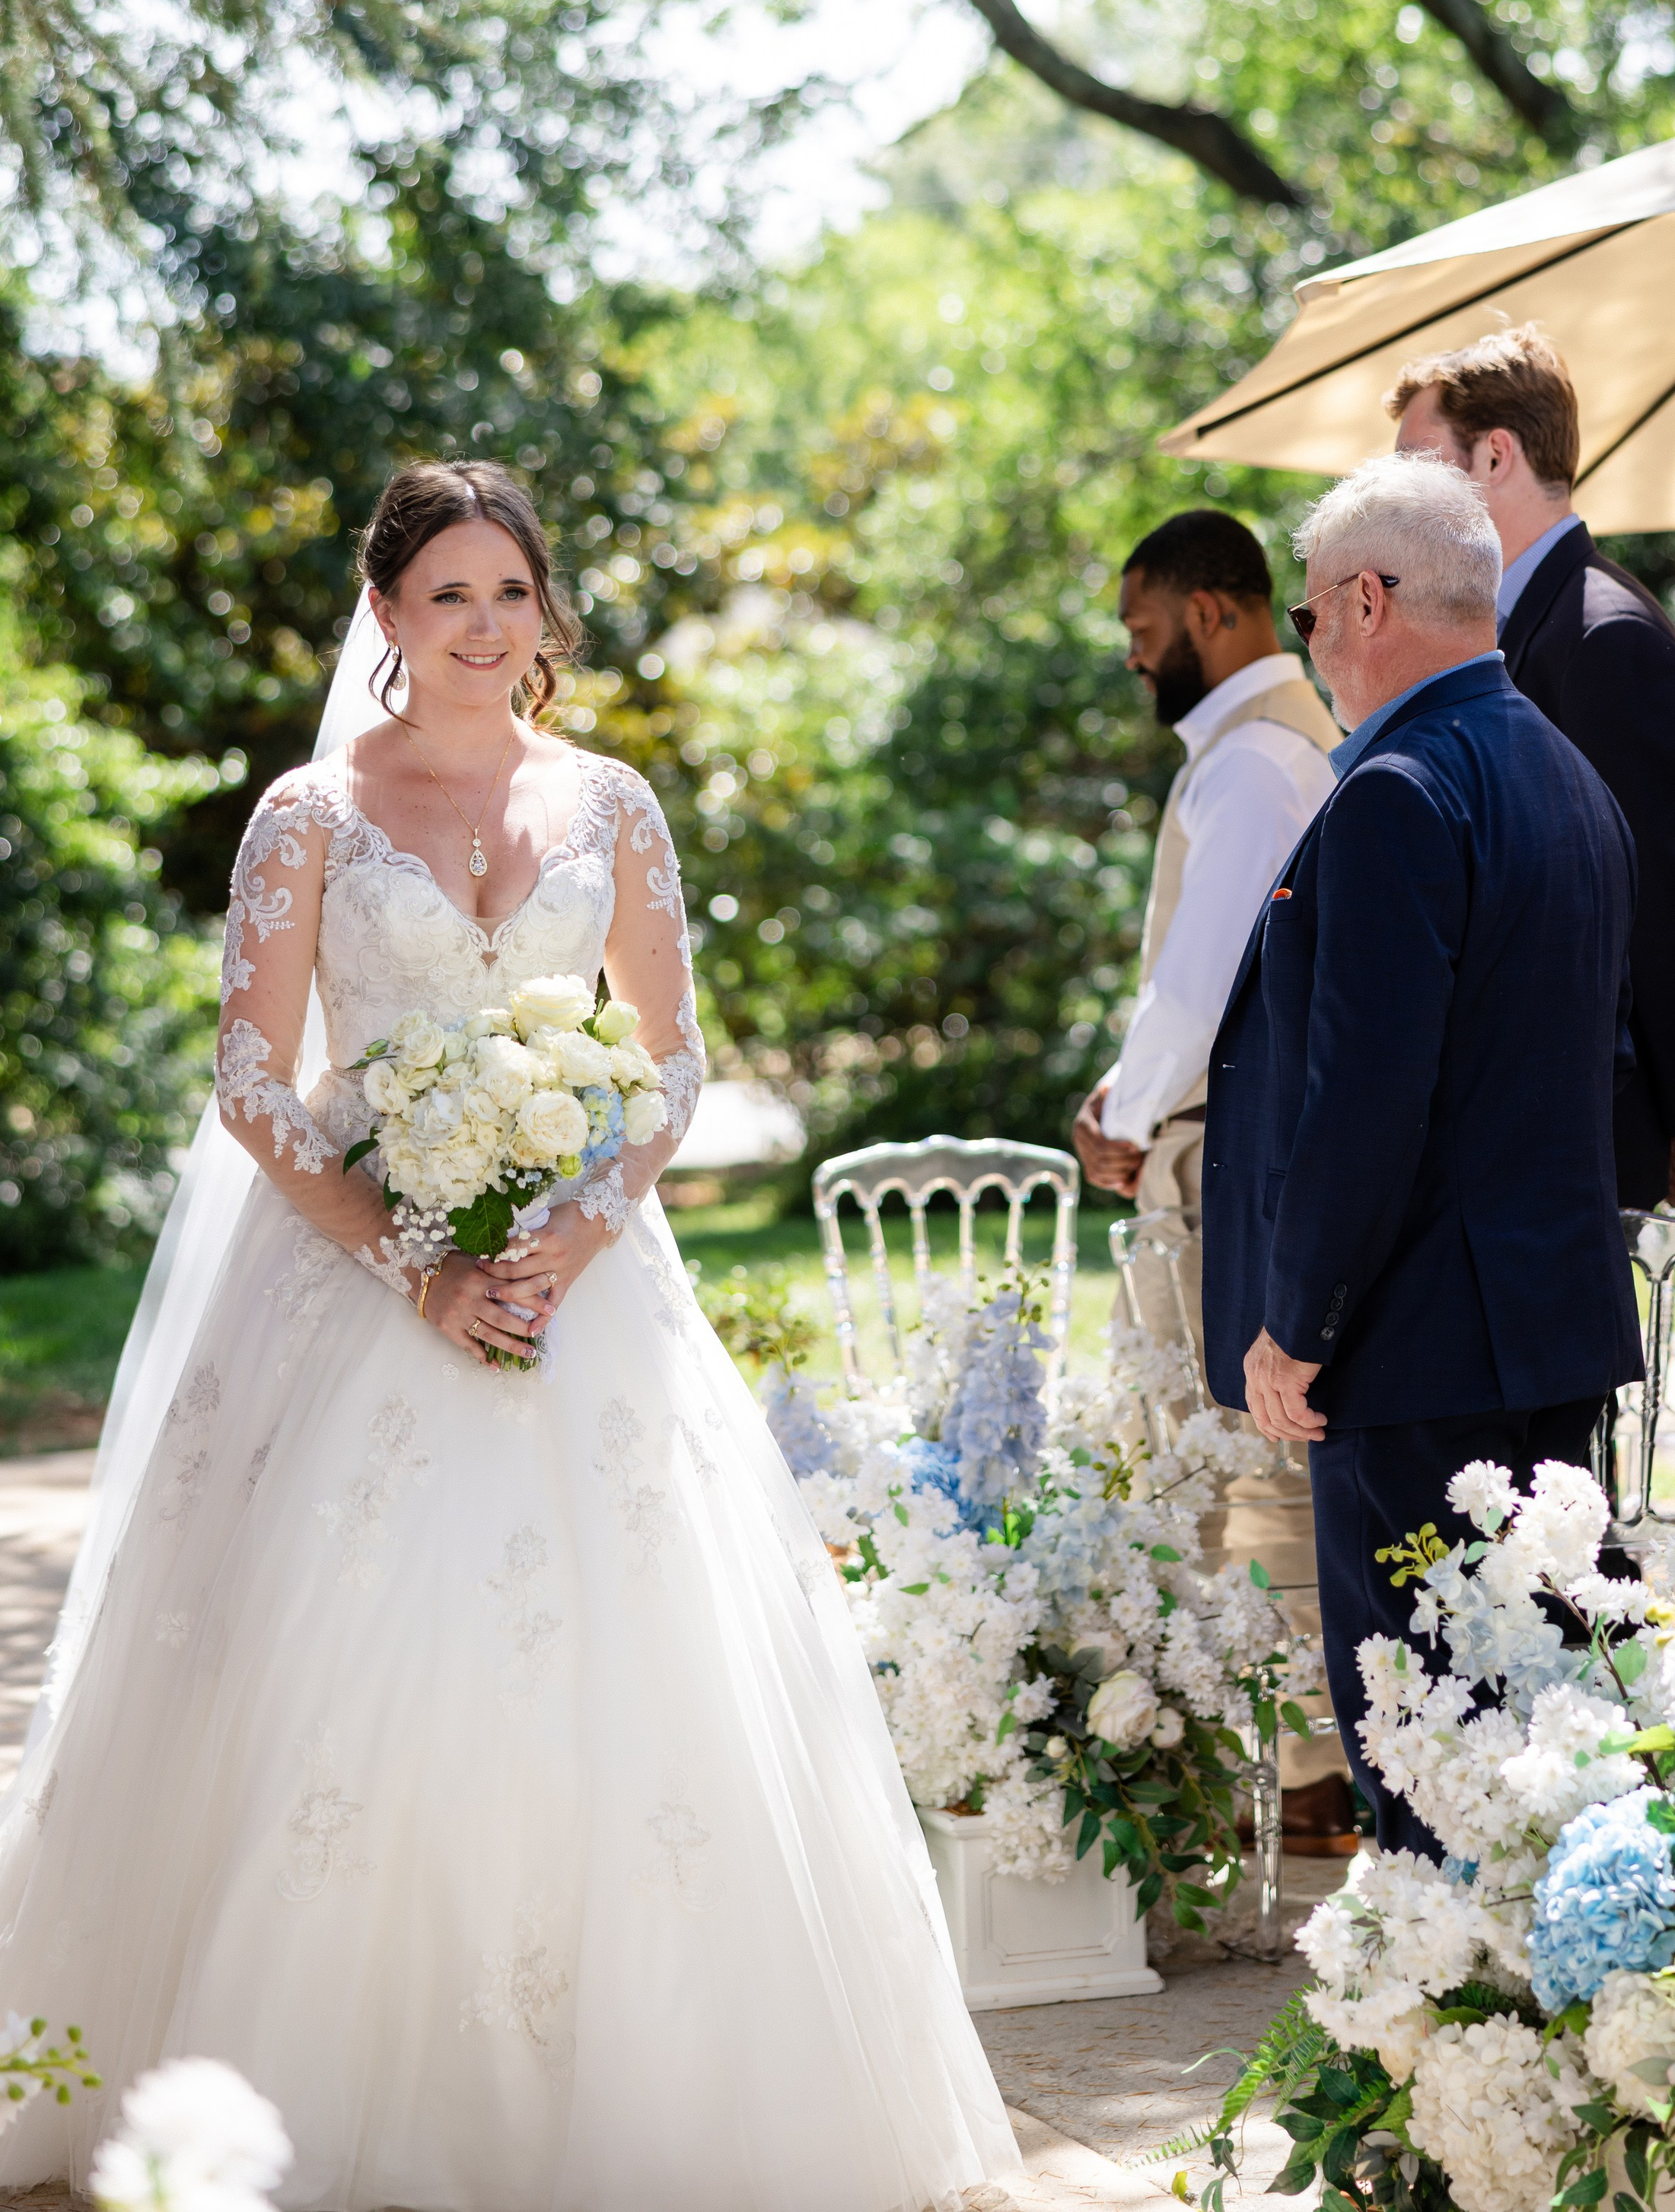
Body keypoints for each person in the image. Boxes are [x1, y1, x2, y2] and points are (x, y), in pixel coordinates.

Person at [0, 460, 1014, 2212]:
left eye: (509, 593)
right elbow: (252, 1077)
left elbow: (673, 1056)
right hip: (350, 1280)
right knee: (331, 1678)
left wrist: (576, 1224)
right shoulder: (310, 815)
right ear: (385, 618)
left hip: (582, 1286)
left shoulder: (612, 802)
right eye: (445, 595)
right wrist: (420, 1262)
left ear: (545, 614)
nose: (483, 627)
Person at [1200, 455, 1642, 1853]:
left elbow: (1366, 1097)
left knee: (1420, 1739)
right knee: (1537, 1726)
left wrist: (1298, 1324)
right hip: (1544, 1334)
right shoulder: (1566, 773)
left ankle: (1441, 2047)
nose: (1310, 644)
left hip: (1412, 1348)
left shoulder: (1397, 787)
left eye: (1314, 612)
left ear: (1368, 598)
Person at [1072, 508, 1345, 1822]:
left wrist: (1124, 1111)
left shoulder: (1253, 761)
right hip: (1213, 1143)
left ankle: (1303, 1775)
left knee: (1235, 1460)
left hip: (1217, 1162)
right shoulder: (1266, 742)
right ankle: (1278, 1763)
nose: (1134, 655)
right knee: (1211, 1453)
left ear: (1214, 610)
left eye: (1144, 626)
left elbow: (1203, 981)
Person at [1389, 324, 1675, 1216]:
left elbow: (1667, 898)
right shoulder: (1520, 629)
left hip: (1572, 1126)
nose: (1396, 496)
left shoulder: (1603, 639)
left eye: (1419, 466)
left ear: (1494, 456)